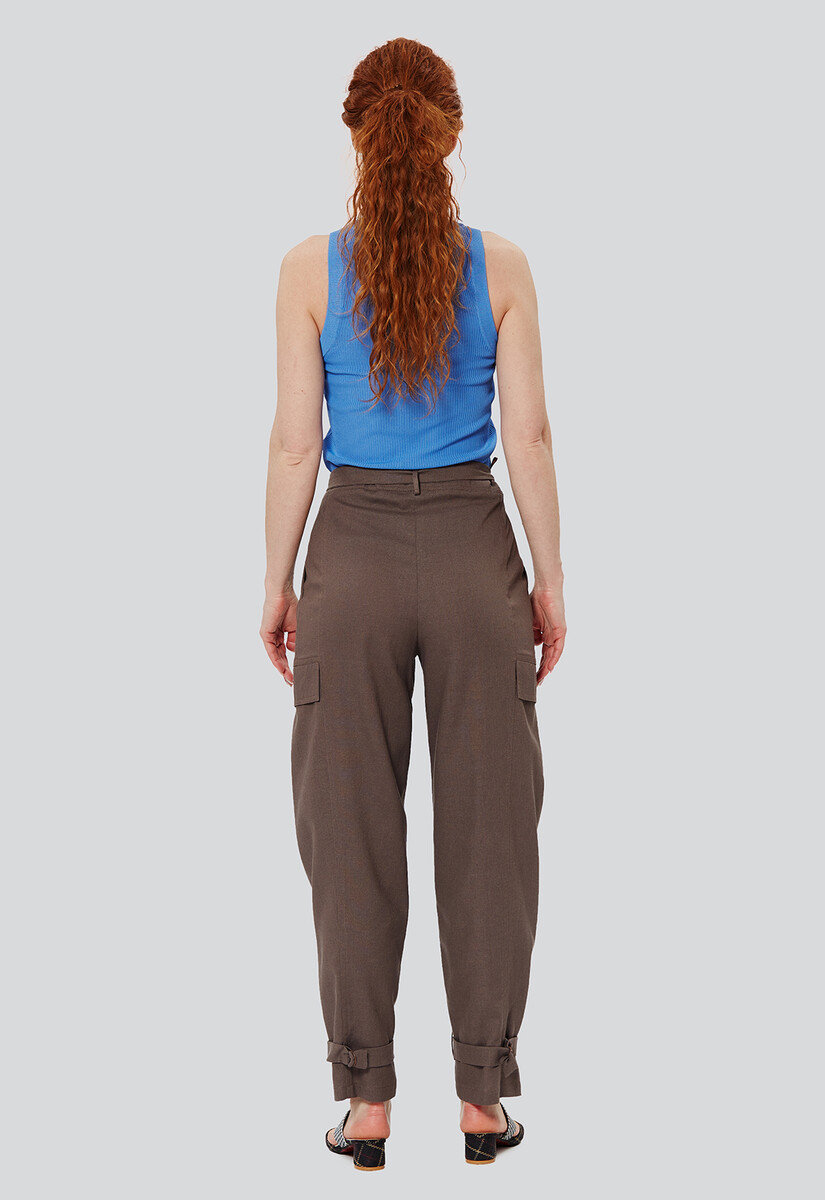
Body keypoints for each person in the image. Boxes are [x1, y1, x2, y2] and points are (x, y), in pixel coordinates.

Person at [260, 36, 566, 1170]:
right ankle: (483, 1100)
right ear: (451, 135)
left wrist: (277, 582)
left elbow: (297, 444)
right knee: (492, 831)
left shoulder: (307, 271)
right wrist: (548, 579)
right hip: (479, 552)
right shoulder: (505, 267)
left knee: (347, 832)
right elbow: (528, 438)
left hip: (351, 557)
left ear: (355, 136)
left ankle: (367, 1102)